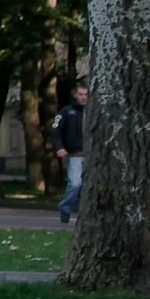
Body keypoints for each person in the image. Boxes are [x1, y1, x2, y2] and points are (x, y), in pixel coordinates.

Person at [55, 80, 89, 223]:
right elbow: (55, 130)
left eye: (86, 95)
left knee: (87, 186)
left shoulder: (94, 112)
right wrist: (59, 147)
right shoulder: (67, 111)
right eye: (80, 94)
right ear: (75, 95)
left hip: (92, 155)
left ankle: (86, 214)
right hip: (75, 154)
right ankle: (65, 207)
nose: (83, 97)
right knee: (75, 183)